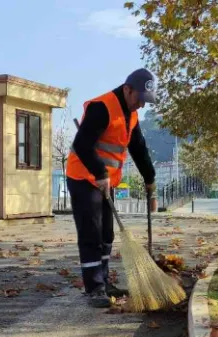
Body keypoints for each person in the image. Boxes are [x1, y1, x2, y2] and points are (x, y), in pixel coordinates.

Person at [66, 69, 158, 308]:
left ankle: (104, 282)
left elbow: (138, 148)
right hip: (83, 177)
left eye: (145, 101)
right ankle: (94, 288)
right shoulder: (102, 107)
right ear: (128, 89)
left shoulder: (131, 115)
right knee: (91, 233)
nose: (141, 105)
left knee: (107, 233)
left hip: (105, 181)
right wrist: (100, 172)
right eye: (139, 99)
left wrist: (150, 179)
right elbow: (82, 144)